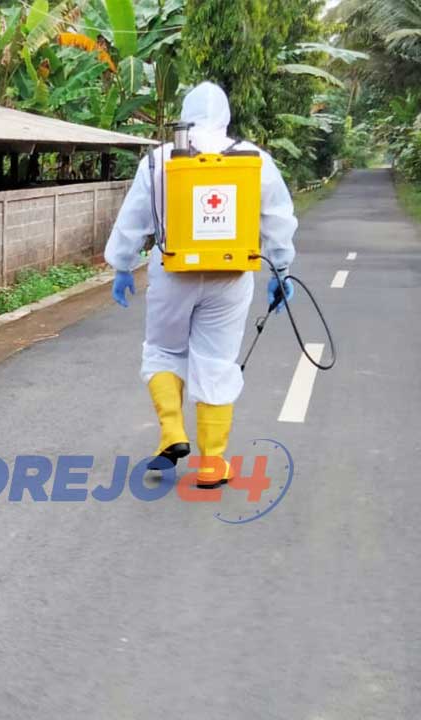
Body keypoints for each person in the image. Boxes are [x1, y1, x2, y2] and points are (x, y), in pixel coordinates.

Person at [106, 82, 298, 488]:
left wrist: (122, 265)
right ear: (227, 117)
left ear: (185, 114)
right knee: (216, 360)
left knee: (163, 350)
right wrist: (281, 271)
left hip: (173, 271)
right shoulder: (255, 160)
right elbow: (278, 220)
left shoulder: (159, 159)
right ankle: (212, 463)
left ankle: (172, 433)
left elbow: (134, 218)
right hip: (231, 276)